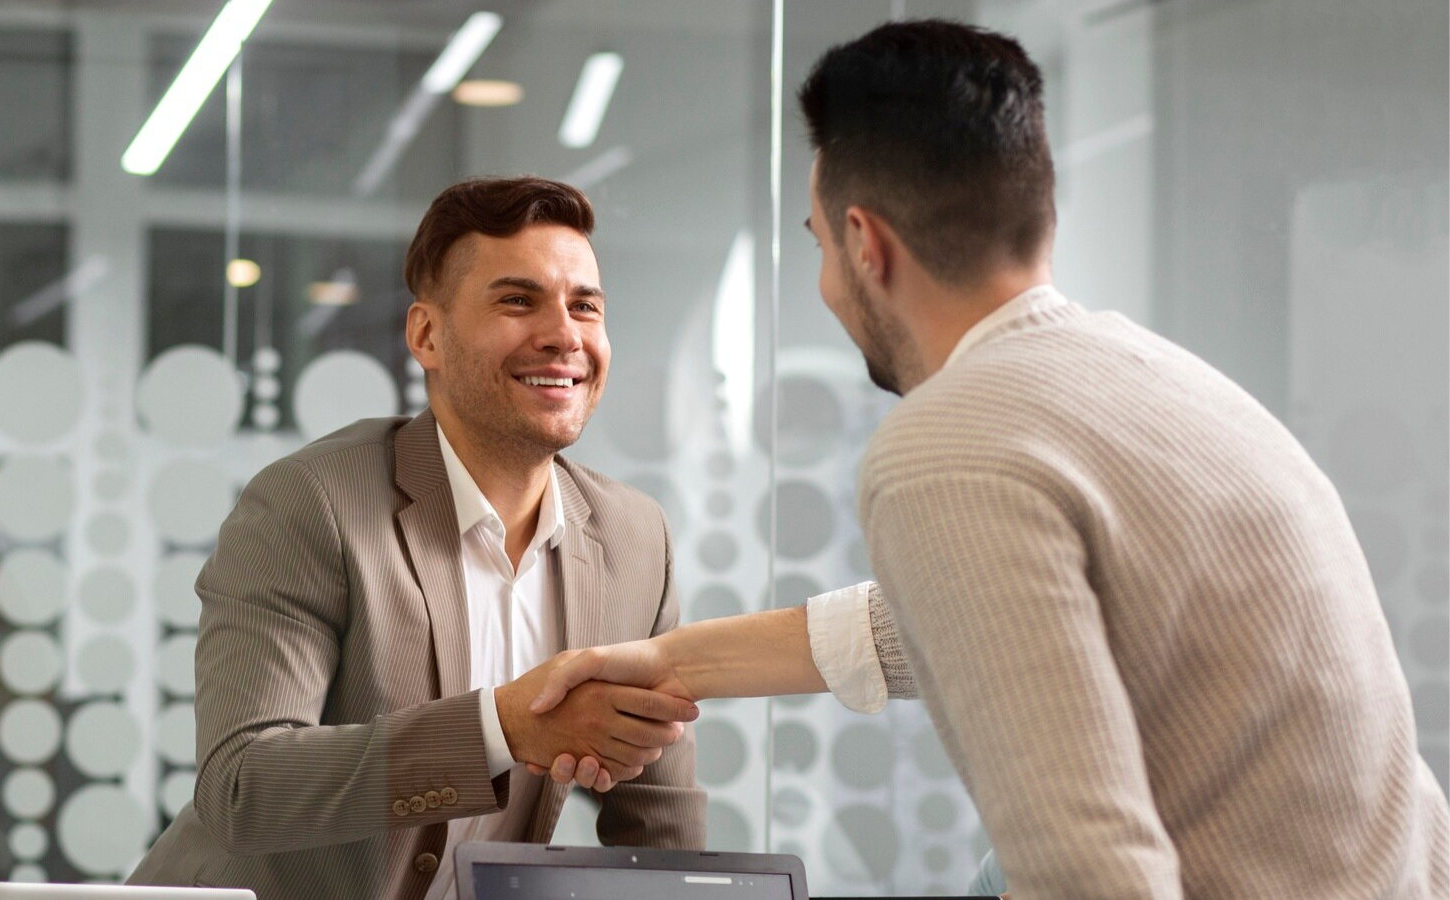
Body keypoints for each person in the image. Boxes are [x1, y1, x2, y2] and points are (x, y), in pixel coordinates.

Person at [527, 19, 1450, 900]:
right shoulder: (1160, 381)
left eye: (817, 246)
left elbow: (1091, 877)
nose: (822, 287)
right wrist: (670, 661)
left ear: (865, 243)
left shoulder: (950, 442)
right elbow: (952, 613)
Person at [128, 176, 705, 900]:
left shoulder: (633, 537)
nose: (565, 335)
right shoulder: (313, 504)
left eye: (585, 306)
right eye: (517, 300)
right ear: (427, 335)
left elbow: (660, 824)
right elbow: (245, 785)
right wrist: (501, 729)